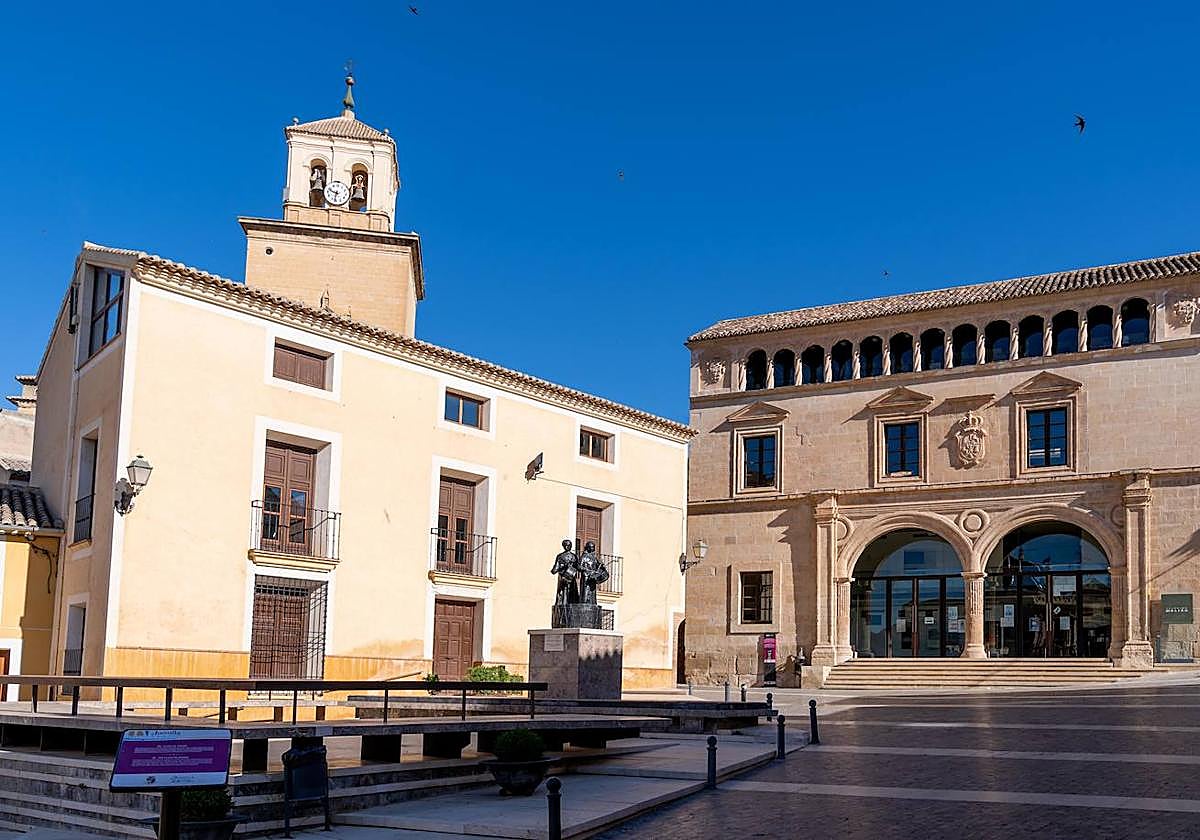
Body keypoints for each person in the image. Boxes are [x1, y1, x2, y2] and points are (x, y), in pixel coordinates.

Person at [578, 541, 610, 606]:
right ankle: (584, 604)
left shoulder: (594, 557)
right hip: (586, 578)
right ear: (587, 548)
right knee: (586, 592)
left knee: (592, 593)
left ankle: (592, 604)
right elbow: (579, 566)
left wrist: (602, 566)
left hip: (593, 577)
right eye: (591, 547)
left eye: (593, 547)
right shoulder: (584, 557)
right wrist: (586, 570)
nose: (593, 549)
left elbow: (598, 565)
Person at [551, 539, 579, 606]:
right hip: (564, 580)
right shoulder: (560, 557)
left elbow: (578, 568)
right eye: (566, 545)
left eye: (569, 545)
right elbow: (554, 571)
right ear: (563, 546)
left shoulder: (574, 557)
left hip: (570, 580)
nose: (568, 547)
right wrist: (564, 566)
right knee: (563, 598)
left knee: (570, 598)